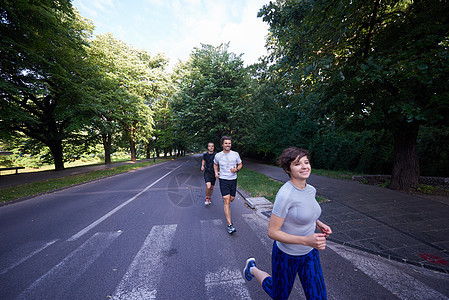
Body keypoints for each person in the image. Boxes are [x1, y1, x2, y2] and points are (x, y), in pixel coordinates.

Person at [243, 147, 332, 299]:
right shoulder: (285, 195)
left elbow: (304, 211)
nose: (304, 166)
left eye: (306, 162)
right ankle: (252, 269)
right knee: (279, 295)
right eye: (297, 164)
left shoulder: (311, 190)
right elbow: (272, 232)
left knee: (319, 297)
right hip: (286, 254)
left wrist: (318, 222)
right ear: (288, 169)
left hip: (309, 253)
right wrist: (306, 240)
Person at [213, 136, 242, 234]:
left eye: (229, 143)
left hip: (233, 179)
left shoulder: (235, 154)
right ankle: (230, 225)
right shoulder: (218, 155)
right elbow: (215, 164)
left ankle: (229, 203)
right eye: (226, 143)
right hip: (223, 179)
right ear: (222, 144)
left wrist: (236, 169)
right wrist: (216, 172)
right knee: (226, 200)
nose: (228, 145)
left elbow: (240, 164)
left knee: (231, 199)